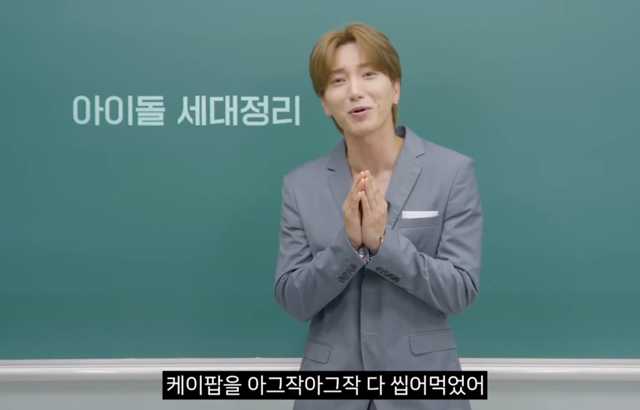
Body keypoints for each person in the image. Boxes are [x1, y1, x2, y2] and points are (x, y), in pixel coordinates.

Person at [274, 22, 483, 410]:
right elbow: (294, 300)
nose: (355, 91)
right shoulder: (300, 185)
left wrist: (384, 245)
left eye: (369, 74)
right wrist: (348, 246)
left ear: (395, 88)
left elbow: (459, 291)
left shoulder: (451, 172)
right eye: (338, 81)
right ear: (325, 103)